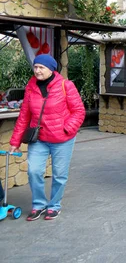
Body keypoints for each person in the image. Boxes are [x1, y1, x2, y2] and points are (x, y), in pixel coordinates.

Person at [9, 54, 85, 221]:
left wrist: (66, 129)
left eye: (41, 67)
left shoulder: (66, 85)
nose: (37, 70)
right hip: (39, 138)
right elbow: (24, 116)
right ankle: (38, 204)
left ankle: (54, 206)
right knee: (34, 171)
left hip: (62, 140)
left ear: (51, 69)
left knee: (59, 174)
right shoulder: (30, 86)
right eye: (35, 67)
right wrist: (15, 142)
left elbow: (79, 111)